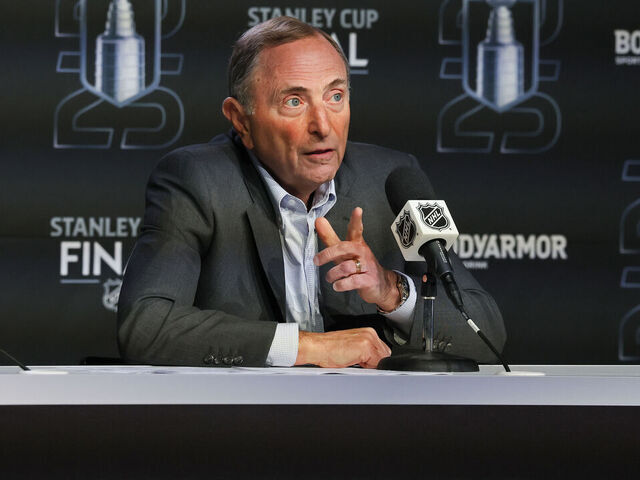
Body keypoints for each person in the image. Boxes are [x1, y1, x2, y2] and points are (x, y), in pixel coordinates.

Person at [117, 16, 506, 368]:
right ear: (241, 120)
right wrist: (309, 347)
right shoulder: (197, 180)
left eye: (335, 96)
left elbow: (485, 333)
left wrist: (390, 290)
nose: (323, 125)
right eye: (294, 101)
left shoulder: (391, 179)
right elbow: (146, 326)